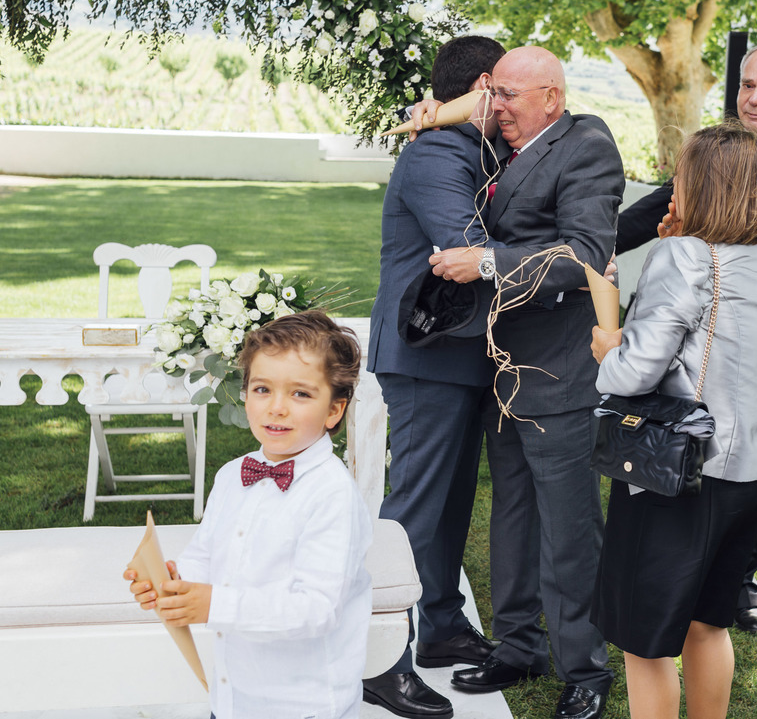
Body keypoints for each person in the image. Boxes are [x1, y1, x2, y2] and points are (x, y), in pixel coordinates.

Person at [616, 41, 757, 634]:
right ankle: (691, 576)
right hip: (697, 327)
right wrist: (597, 246)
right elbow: (663, 207)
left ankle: (738, 579)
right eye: (748, 85)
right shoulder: (721, 150)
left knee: (749, 458)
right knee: (695, 449)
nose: (755, 97)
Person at [430, 46, 623, 719]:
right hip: (502, 365)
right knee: (510, 513)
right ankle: (517, 647)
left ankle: (586, 668)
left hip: (560, 370)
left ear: (552, 95)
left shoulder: (586, 143)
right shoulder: (500, 144)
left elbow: (585, 254)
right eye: (492, 92)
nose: (498, 106)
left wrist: (487, 263)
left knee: (568, 526)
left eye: (510, 94)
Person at [589, 121, 757, 719]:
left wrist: (607, 347)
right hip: (750, 474)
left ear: (706, 184)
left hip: (677, 475)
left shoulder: (684, 255)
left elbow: (632, 374)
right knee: (709, 626)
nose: (673, 182)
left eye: (682, 173)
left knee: (644, 646)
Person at [125, 311, 373, 719]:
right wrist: (173, 581)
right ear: (245, 395)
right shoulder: (231, 475)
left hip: (302, 704)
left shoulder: (331, 495)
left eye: (301, 394)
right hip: (233, 697)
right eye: (262, 389)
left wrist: (214, 605)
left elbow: (316, 608)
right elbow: (206, 555)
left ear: (334, 411)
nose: (276, 408)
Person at [363, 35, 506, 719]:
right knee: (415, 505)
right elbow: (467, 244)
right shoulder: (433, 156)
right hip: (426, 356)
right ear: (484, 84)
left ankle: (442, 625)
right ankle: (380, 657)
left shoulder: (472, 149)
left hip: (465, 355)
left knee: (450, 503)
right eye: (501, 90)